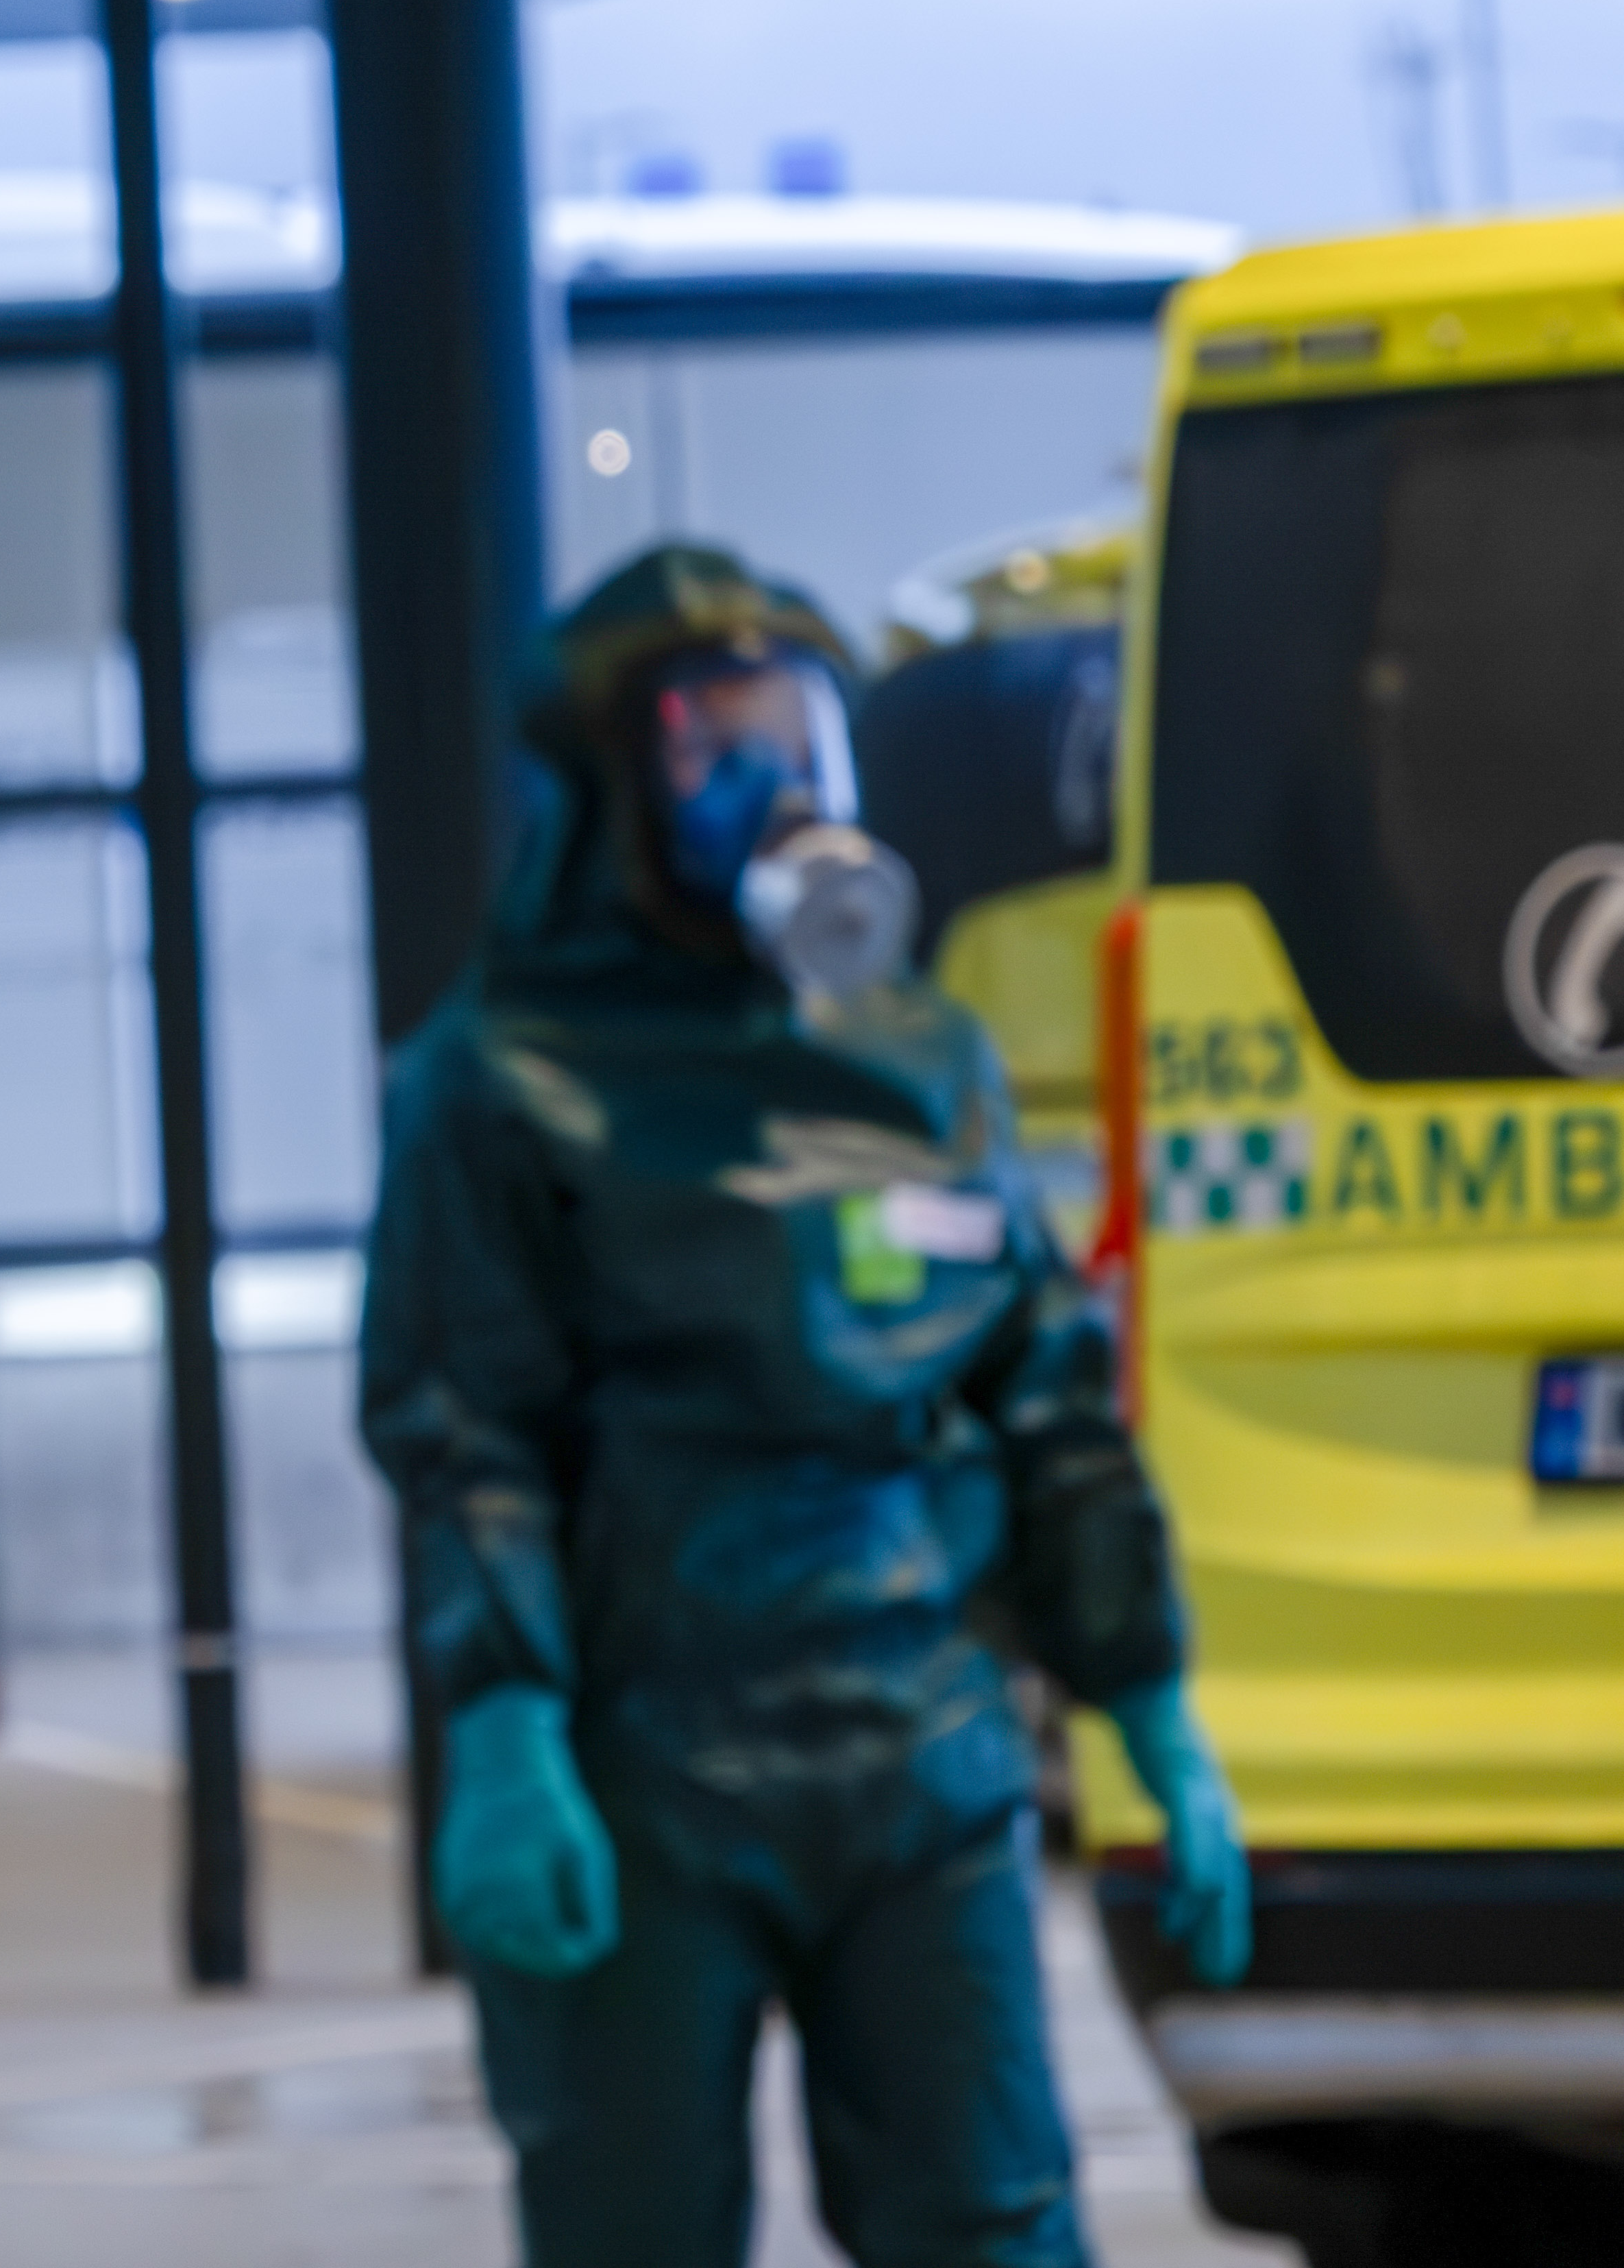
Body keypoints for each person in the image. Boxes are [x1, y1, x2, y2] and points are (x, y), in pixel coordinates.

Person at [360, 543, 1248, 2268]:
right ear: (610, 785)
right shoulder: (495, 1084)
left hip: (922, 1746)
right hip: (642, 1757)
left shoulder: (924, 1062)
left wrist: (1149, 1696)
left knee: (995, 2217)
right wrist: (505, 1725)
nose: (776, 790)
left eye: (802, 736)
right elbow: (469, 1427)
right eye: (719, 744)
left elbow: (1045, 1394)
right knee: (632, 2227)